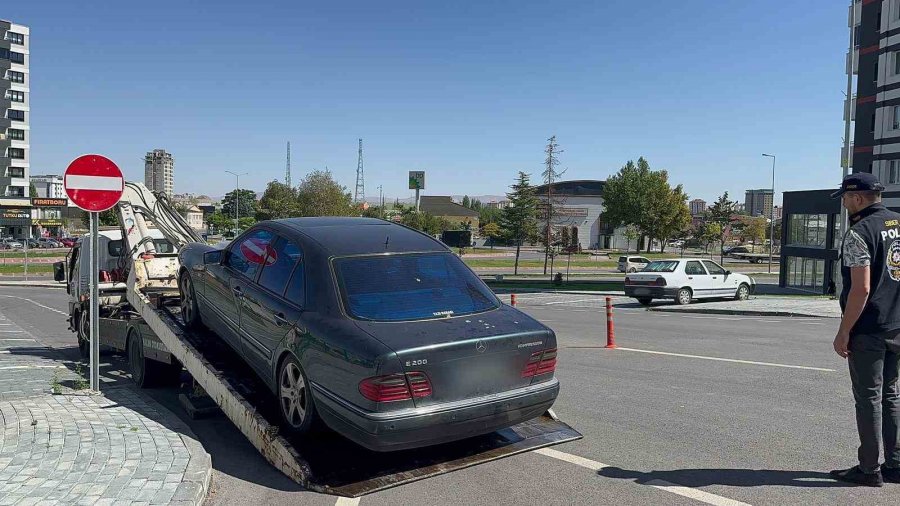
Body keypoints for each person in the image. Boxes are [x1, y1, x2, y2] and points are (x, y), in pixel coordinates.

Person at [829, 173, 900, 487]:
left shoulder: (859, 232)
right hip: (897, 324)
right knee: (891, 396)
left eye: (844, 197)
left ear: (857, 198)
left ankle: (869, 469)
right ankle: (896, 465)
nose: (844, 203)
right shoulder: (898, 224)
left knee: (868, 399)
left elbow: (861, 288)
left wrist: (844, 331)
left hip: (869, 327)